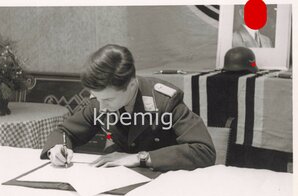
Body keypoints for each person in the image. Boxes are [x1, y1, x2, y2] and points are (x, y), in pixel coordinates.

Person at [41, 44, 216, 172]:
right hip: (118, 181)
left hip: (162, 181)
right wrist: (57, 149)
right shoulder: (101, 100)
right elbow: (65, 131)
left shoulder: (165, 101)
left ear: (132, 85)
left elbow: (204, 151)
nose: (102, 107)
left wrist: (141, 157)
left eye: (108, 99)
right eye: (98, 98)